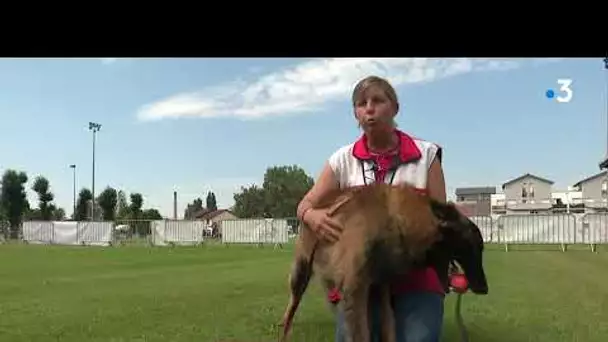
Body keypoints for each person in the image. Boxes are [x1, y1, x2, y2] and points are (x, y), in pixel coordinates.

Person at [296, 75, 447, 342]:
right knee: (350, 336)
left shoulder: (426, 156)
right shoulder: (343, 160)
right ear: (355, 113)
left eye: (378, 100)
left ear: (395, 107)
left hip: (417, 279)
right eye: (361, 103)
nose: (369, 108)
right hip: (361, 281)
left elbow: (442, 222)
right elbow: (305, 204)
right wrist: (312, 216)